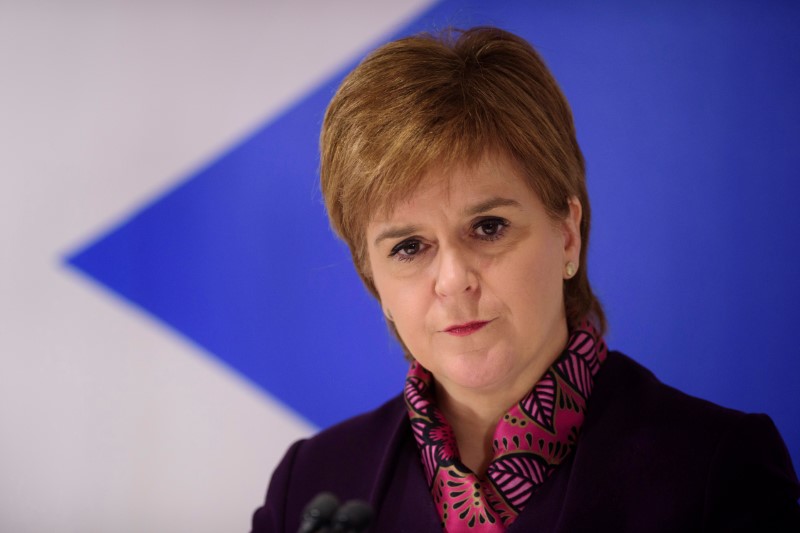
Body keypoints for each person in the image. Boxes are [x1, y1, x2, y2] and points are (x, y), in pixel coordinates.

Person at [251, 27, 800, 532]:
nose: (453, 280)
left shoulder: (717, 469)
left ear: (567, 235)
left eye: (488, 227)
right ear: (373, 278)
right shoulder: (310, 483)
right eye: (409, 247)